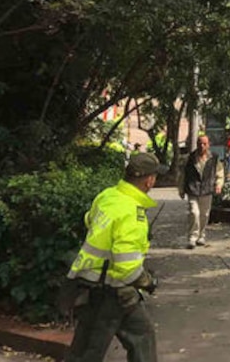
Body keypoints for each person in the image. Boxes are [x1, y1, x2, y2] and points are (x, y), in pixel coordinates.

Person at [65, 153, 164, 362]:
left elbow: (89, 220)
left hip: (93, 284)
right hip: (112, 292)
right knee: (91, 351)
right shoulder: (132, 213)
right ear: (149, 180)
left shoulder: (107, 195)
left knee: (141, 337)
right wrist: (147, 281)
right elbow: (127, 267)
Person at [179, 135, 224, 249]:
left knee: (204, 214)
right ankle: (192, 238)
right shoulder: (189, 158)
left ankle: (201, 236)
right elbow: (182, 175)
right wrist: (181, 189)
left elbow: (219, 173)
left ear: (208, 145)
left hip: (206, 189)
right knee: (194, 213)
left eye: (204, 144)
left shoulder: (214, 158)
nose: (201, 146)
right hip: (193, 189)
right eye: (199, 143)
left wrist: (218, 184)